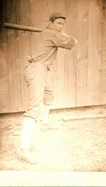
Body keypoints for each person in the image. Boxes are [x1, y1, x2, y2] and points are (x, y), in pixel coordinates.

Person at [18, 12, 78, 164]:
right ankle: (23, 148)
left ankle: (45, 124)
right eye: (58, 23)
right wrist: (63, 34)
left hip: (42, 69)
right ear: (50, 23)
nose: (61, 26)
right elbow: (72, 43)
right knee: (34, 109)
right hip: (36, 70)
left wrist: (59, 32)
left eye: (62, 24)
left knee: (49, 95)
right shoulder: (52, 34)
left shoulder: (49, 32)